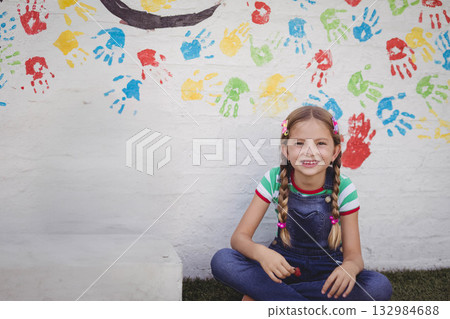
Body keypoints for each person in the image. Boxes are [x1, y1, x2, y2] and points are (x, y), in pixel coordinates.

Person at [210, 105, 393, 301]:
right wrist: (261, 253)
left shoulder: (345, 188)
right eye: (299, 143)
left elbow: (354, 257)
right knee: (223, 260)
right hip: (282, 270)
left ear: (335, 151)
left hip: (327, 275)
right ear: (285, 151)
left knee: (378, 286)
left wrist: (349, 267)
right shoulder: (273, 180)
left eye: (321, 143)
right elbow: (239, 238)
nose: (309, 151)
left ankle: (272, 297)